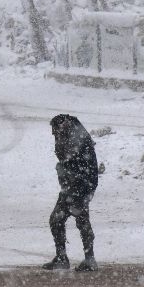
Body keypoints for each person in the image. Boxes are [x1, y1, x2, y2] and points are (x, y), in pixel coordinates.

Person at [43, 114, 101, 272]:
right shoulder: (75, 135)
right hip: (76, 187)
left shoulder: (75, 138)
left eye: (54, 130)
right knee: (72, 220)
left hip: (77, 187)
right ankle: (84, 259)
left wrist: (75, 185)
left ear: (62, 126)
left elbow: (70, 161)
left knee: (63, 219)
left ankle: (74, 259)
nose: (53, 134)